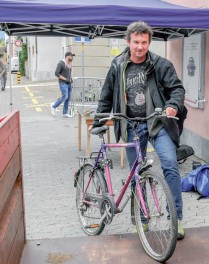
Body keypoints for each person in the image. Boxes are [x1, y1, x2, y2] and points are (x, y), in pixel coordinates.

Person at [90, 21, 186, 240]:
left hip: (157, 123)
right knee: (136, 173)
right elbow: (106, 95)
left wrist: (173, 105)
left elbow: (177, 89)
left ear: (149, 42)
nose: (140, 47)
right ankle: (141, 220)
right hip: (131, 126)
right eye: (136, 42)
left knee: (170, 165)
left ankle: (176, 219)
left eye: (144, 42)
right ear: (128, 41)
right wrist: (98, 120)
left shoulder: (161, 65)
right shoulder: (117, 65)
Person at [51, 51, 74, 117]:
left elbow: (68, 74)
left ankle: (65, 113)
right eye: (71, 56)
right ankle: (53, 106)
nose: (72, 57)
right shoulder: (61, 63)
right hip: (63, 83)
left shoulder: (69, 64)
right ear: (67, 56)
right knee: (65, 96)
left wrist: (70, 80)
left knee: (68, 98)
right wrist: (65, 79)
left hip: (69, 83)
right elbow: (56, 73)